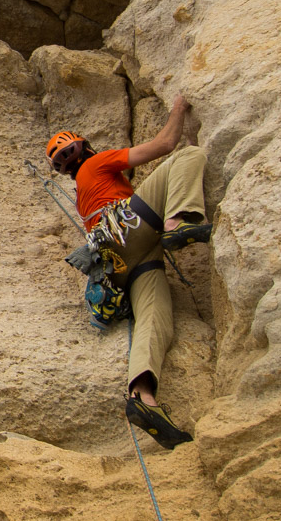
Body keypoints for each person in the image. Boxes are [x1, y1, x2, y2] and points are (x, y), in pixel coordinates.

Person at [46, 94, 211, 449]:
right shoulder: (97, 164)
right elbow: (166, 144)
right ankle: (178, 222)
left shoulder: (81, 191)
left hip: (118, 265)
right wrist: (180, 106)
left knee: (155, 318)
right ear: (85, 147)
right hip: (129, 227)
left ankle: (143, 398)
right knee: (189, 155)